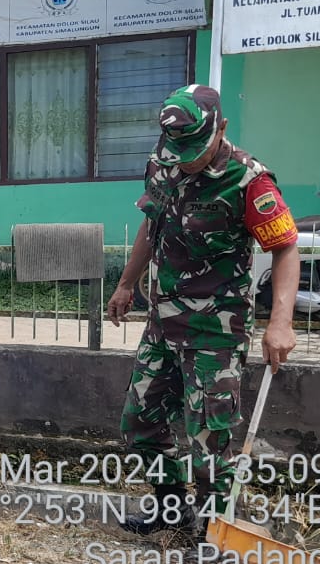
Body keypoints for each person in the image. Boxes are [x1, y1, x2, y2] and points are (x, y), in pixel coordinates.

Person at [107, 84, 299, 538]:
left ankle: (215, 531)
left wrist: (281, 322)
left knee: (209, 440)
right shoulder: (164, 164)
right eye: (177, 148)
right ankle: (171, 511)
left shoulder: (249, 181)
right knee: (140, 422)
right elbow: (151, 225)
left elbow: (286, 249)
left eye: (194, 148)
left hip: (216, 332)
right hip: (163, 323)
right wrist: (125, 283)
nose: (185, 158)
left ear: (221, 129)